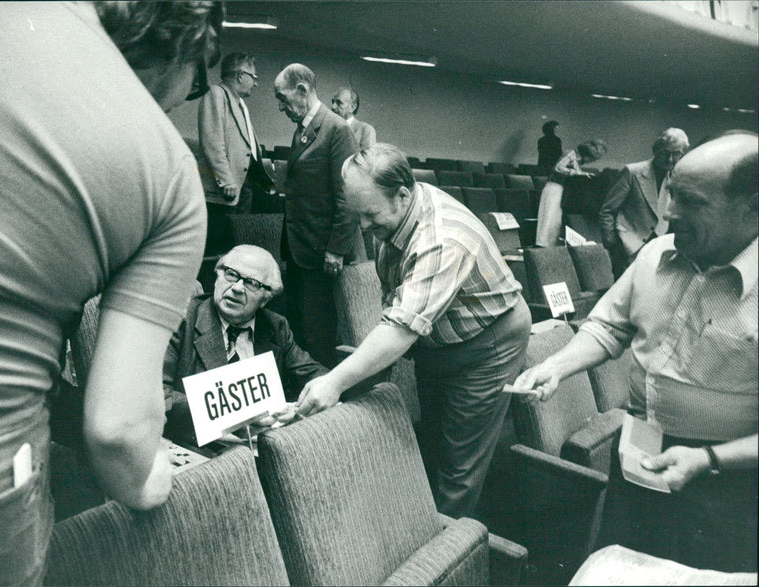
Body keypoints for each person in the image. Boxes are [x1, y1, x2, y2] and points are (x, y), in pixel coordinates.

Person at [0, 2, 222, 584]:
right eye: (199, 81)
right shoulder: (169, 173)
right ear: (187, 49)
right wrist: (155, 476)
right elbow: (119, 432)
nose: (188, 98)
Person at [514, 132, 758, 572]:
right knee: (626, 562)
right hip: (639, 447)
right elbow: (609, 326)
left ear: (753, 207)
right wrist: (556, 365)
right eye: (670, 194)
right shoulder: (655, 254)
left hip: (729, 478)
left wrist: (708, 459)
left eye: (691, 201)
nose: (668, 212)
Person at [296, 143, 532, 519]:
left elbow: (402, 328)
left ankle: (445, 555)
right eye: (357, 215)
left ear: (403, 194)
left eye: (370, 215)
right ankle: (423, 527)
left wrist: (336, 381)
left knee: (459, 467)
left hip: (489, 345)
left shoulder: (440, 238)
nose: (363, 227)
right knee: (434, 441)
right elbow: (398, 300)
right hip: (440, 339)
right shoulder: (394, 206)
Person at [163, 245, 328, 448]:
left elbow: (315, 375)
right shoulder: (181, 320)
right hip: (202, 449)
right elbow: (157, 395)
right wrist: (233, 417)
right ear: (217, 275)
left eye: (252, 283)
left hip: (265, 446)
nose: (237, 288)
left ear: (266, 298)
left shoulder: (276, 327)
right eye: (231, 274)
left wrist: (306, 402)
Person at [274, 63, 364, 367]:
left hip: (322, 253)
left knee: (318, 335)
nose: (280, 107)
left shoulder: (336, 129)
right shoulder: (302, 130)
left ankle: (323, 403)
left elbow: (348, 196)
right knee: (299, 330)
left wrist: (337, 249)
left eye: (283, 98)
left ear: (302, 90)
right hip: (300, 248)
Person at [599, 128, 689, 275]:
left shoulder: (677, 178)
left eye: (676, 154)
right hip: (627, 247)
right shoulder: (631, 172)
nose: (670, 159)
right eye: (665, 153)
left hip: (657, 248)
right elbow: (608, 210)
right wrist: (612, 243)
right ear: (656, 150)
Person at [198, 52, 273, 221]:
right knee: (220, 243)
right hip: (224, 190)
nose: (256, 83)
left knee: (236, 241)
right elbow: (212, 142)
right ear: (240, 76)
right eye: (254, 77)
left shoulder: (238, 102)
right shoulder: (216, 93)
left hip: (242, 187)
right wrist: (225, 180)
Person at [535, 138, 608, 247]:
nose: (592, 162)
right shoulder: (570, 153)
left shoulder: (577, 160)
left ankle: (550, 249)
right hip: (553, 188)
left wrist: (582, 173)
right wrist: (576, 173)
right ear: (588, 154)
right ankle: (542, 249)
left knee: (555, 222)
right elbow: (558, 168)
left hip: (561, 189)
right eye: (593, 159)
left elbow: (576, 172)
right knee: (548, 222)